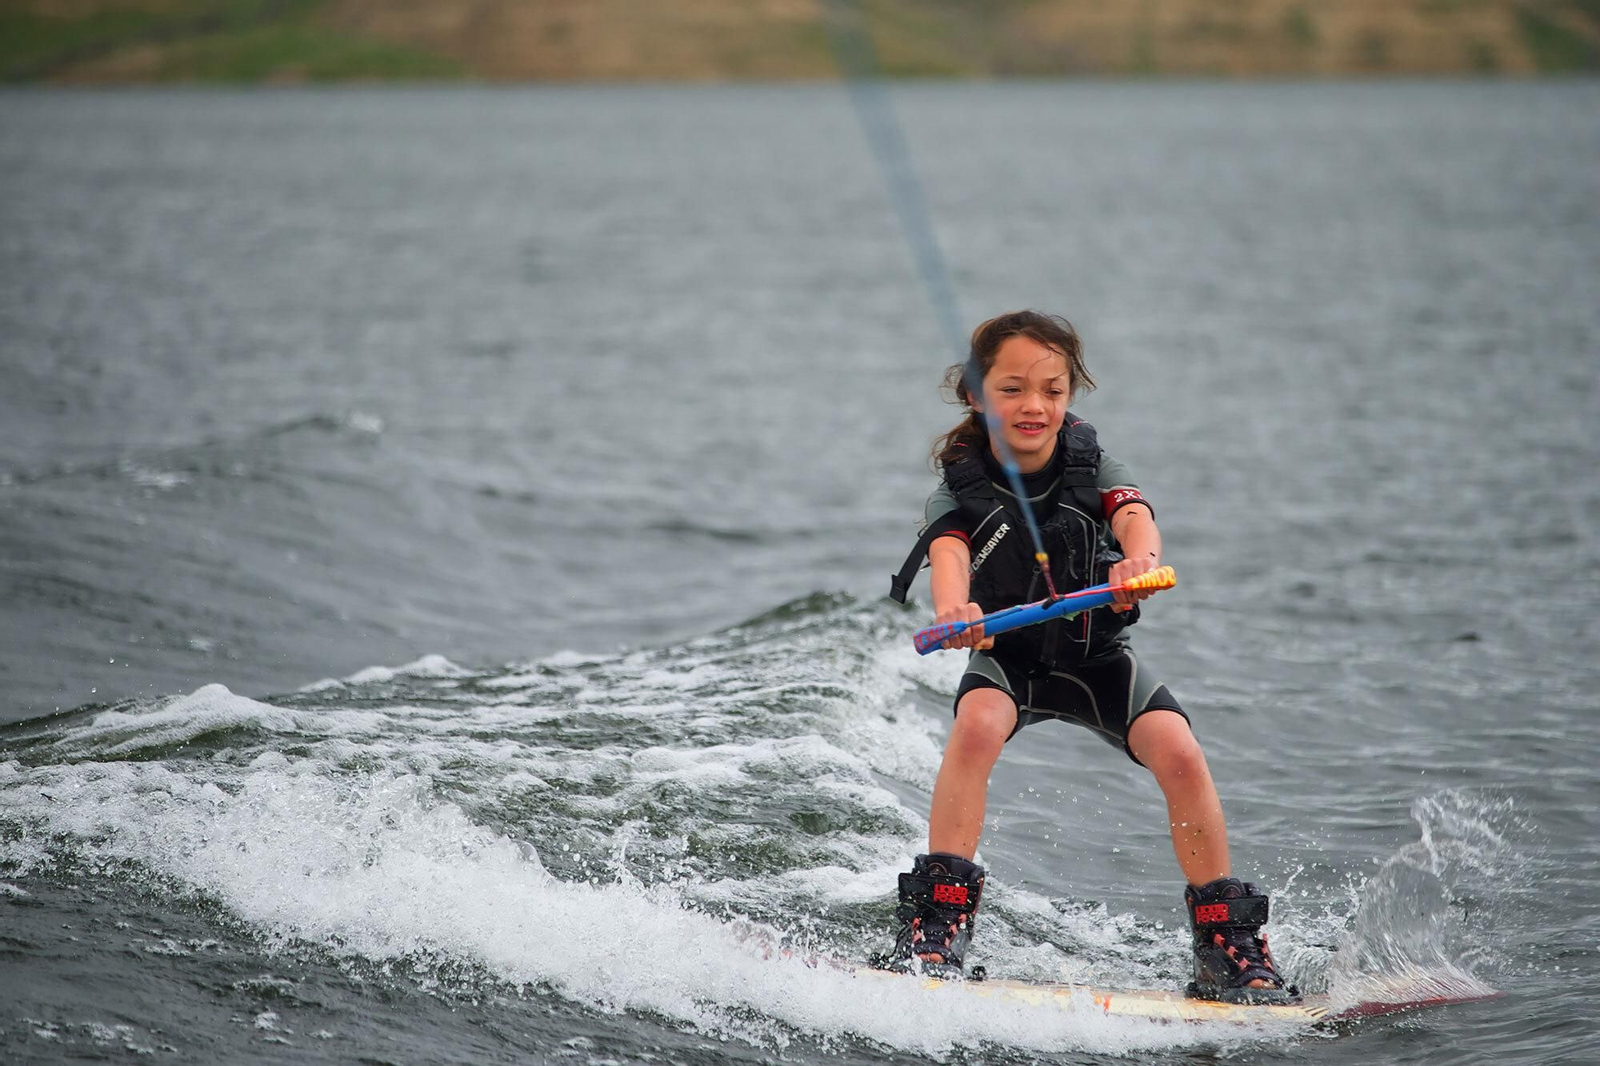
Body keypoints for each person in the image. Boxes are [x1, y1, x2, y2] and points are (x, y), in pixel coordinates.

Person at [883, 310, 1288, 1003]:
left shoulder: (1093, 466)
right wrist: (955, 611)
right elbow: (948, 557)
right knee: (975, 727)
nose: (1034, 405)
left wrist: (1140, 561)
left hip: (1097, 657)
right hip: (1009, 660)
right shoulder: (957, 489)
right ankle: (937, 924)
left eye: (1052, 389)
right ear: (976, 394)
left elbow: (1134, 516)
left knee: (1180, 751)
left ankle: (1226, 942)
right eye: (1012, 389)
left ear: (1070, 394)